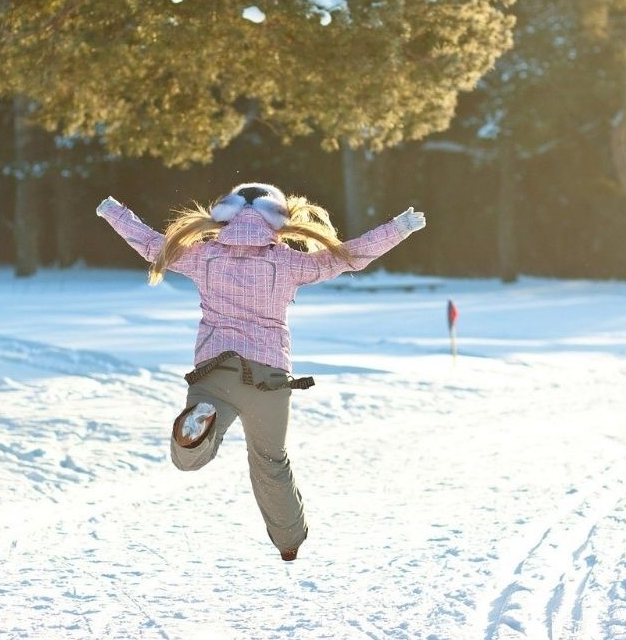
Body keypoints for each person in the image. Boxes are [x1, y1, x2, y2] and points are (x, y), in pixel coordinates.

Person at [96, 183, 426, 561]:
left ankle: (195, 431)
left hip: (215, 371)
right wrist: (398, 228)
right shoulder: (288, 262)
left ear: (227, 214)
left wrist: (114, 212)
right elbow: (347, 257)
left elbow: (154, 245)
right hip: (269, 376)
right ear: (277, 218)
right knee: (271, 461)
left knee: (190, 458)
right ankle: (289, 543)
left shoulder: (203, 256)